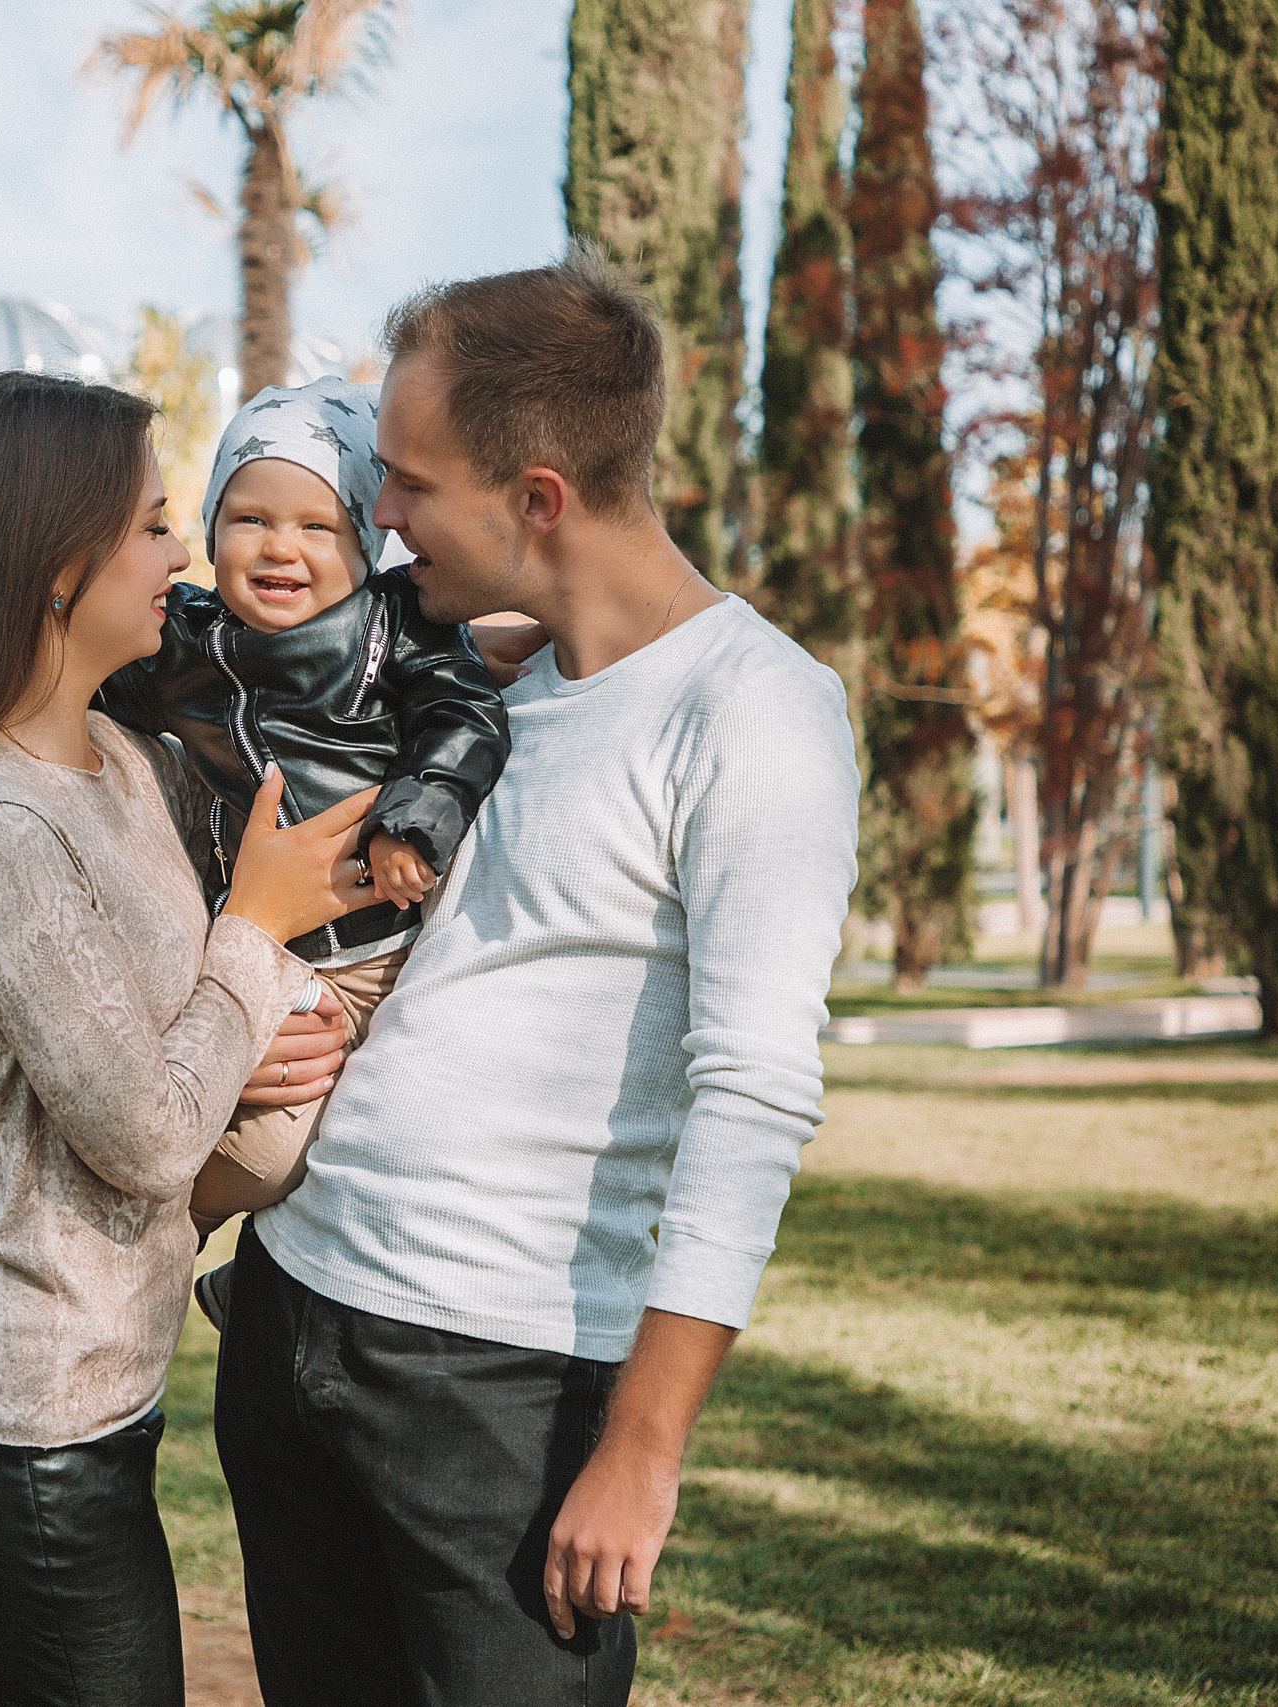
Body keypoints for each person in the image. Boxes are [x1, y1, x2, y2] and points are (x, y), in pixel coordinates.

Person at [212, 251, 862, 1705]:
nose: (375, 515)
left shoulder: (755, 714)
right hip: (292, 1312)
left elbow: (754, 1096)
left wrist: (639, 1449)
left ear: (540, 499)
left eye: (409, 482)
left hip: (497, 1392)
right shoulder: (484, 674)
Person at [0, 370, 383, 1707]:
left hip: (63, 1399)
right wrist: (254, 929)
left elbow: (164, 1031)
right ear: (51, 564)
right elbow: (140, 1133)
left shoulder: (122, 761)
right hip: (3, 1423)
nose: (183, 551)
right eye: (150, 522)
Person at [95, 376, 510, 1252]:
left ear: (366, 543)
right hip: (254, 948)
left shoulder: (395, 629)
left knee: (333, 1147)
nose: (282, 548)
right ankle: (162, 1245)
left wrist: (415, 820)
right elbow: (97, 686)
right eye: (250, 520)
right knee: (258, 1140)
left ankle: (221, 1259)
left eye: (318, 526)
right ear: (210, 530)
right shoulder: (185, 640)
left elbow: (463, 714)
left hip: (380, 953)